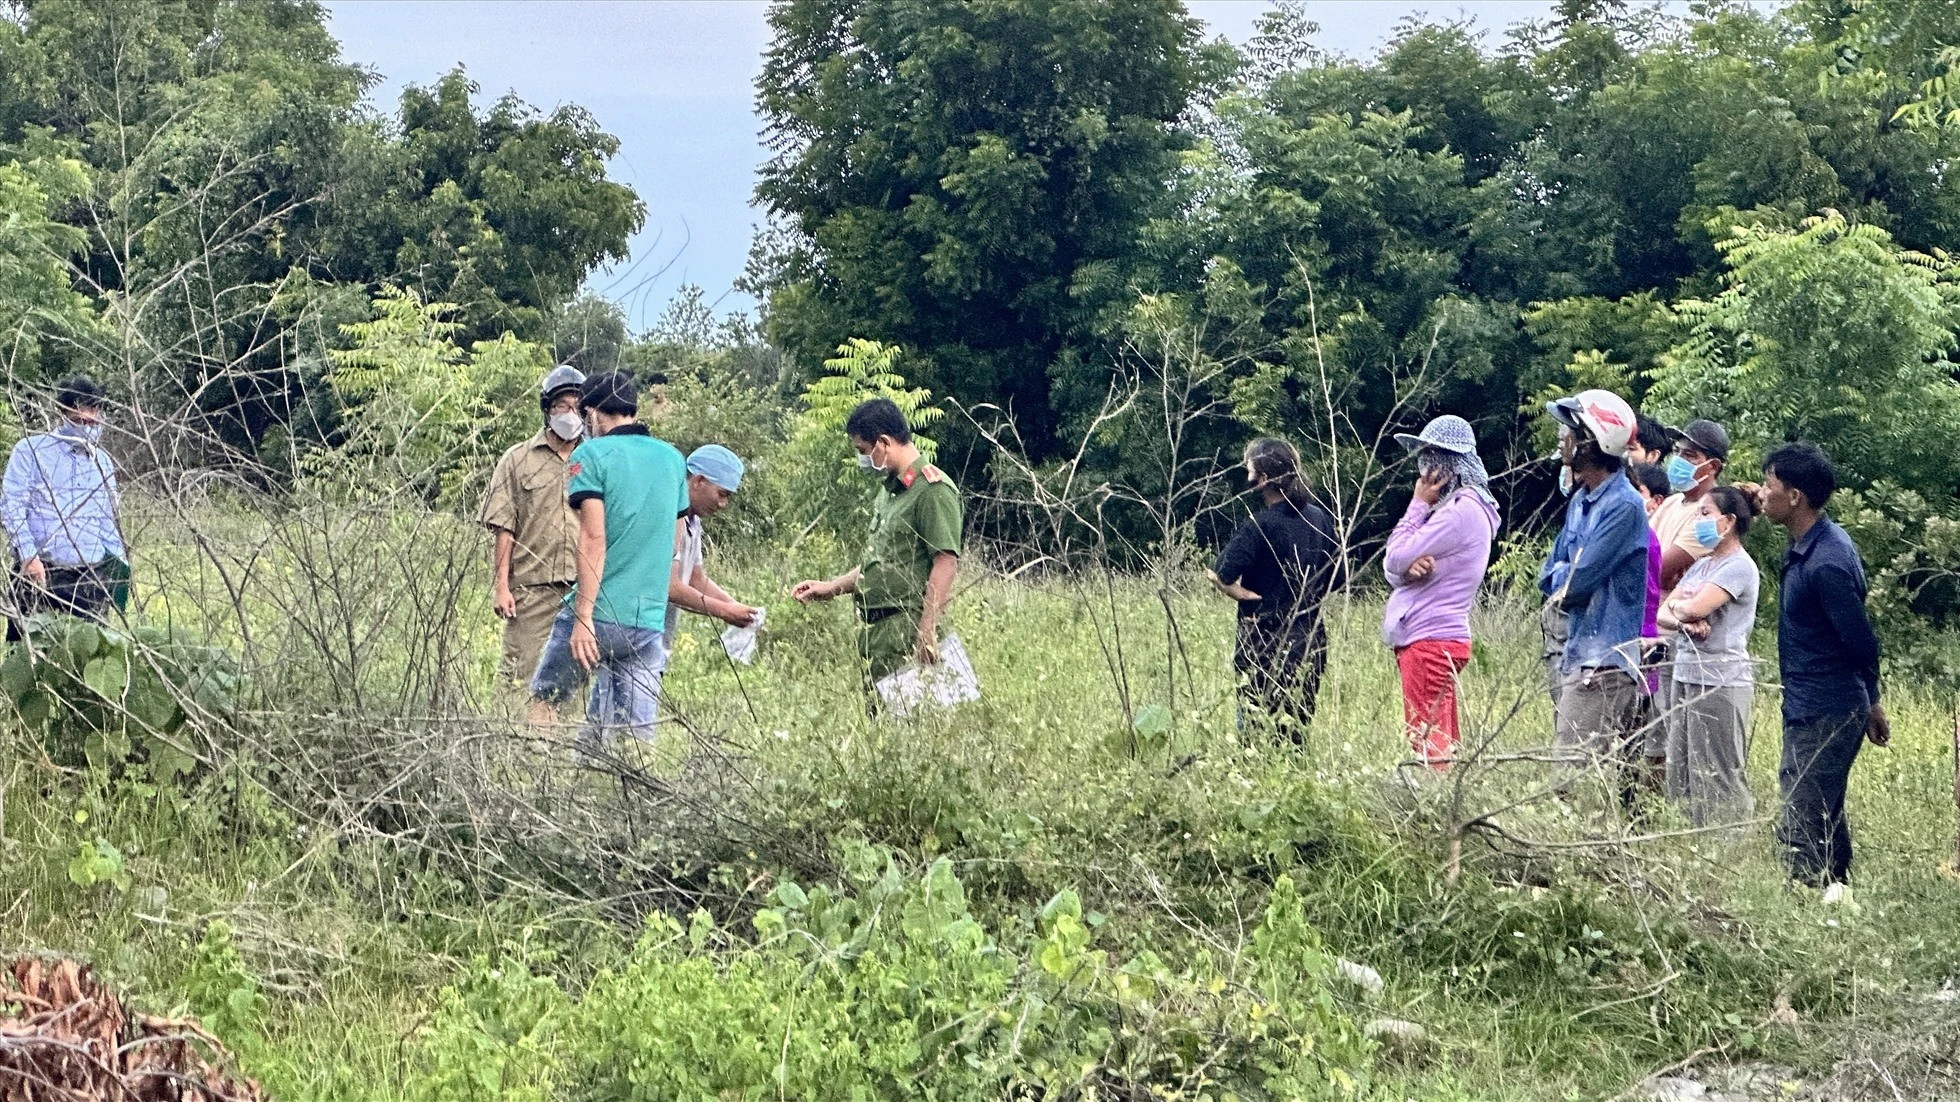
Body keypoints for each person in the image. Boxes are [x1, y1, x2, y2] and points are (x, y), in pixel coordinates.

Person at [529, 372, 689, 746]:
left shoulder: (591, 454)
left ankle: (534, 776)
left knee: (546, 700)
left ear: (592, 413)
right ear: (632, 410)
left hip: (599, 612)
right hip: (647, 621)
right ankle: (619, 791)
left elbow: (593, 536)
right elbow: (674, 541)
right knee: (631, 733)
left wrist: (583, 617)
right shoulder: (672, 459)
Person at [1752, 443, 1886, 887]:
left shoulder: (1826, 562)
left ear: (1795, 497)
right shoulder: (1807, 546)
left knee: (1802, 813)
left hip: (1826, 706)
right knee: (1821, 806)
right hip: (1814, 701)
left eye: (1770, 485)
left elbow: (1862, 643)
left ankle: (1807, 901)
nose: (1762, 494)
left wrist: (1871, 701)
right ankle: (1838, 895)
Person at [791, 399, 962, 686]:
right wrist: (831, 587)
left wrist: (928, 631)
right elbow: (880, 564)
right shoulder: (890, 493)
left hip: (907, 628)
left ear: (883, 443)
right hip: (878, 634)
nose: (862, 459)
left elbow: (945, 561)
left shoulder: (932, 490)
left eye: (863, 450)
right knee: (880, 722)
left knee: (910, 724)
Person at [1538, 389, 1649, 786]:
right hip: (1579, 655)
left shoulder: (1623, 506)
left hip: (1601, 664)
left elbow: (1575, 584)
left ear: (1594, 439)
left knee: (1569, 782)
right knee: (1573, 777)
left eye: (1570, 429)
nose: (1562, 438)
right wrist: (1564, 574)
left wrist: (1565, 574)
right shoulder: (1581, 499)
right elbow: (1549, 575)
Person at [1383, 415, 1499, 769]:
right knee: (1441, 738)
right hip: (1440, 637)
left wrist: (1417, 504)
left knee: (1425, 740)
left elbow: (1396, 554)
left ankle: (1430, 814)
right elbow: (1396, 566)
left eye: (1432, 458)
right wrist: (1402, 573)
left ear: (1450, 464)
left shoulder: (1461, 511)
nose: (1424, 470)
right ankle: (1444, 808)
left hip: (1430, 638)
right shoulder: (1463, 509)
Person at [1209, 438, 1340, 741]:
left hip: (1263, 638)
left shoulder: (1258, 525)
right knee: (1295, 731)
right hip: (1310, 638)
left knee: (1255, 732)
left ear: (1264, 479)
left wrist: (1238, 594)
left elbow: (1221, 573)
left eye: (1250, 470)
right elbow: (1338, 577)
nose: (1247, 477)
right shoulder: (1320, 519)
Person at [481, 365, 585, 722]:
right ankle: (503, 746)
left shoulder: (595, 460)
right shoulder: (517, 459)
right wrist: (501, 587)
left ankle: (556, 751)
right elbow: (503, 527)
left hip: (582, 590)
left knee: (573, 680)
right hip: (532, 588)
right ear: (547, 409)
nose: (570, 414)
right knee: (517, 676)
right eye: (561, 406)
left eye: (577, 406)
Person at [1656, 485, 1760, 829]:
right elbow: (1665, 612)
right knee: (1681, 770)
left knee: (1719, 773)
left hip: (1720, 681)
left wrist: (1687, 609)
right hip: (1686, 675)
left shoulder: (1739, 567)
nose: (1697, 520)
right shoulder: (1702, 565)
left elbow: (1692, 608)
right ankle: (1689, 843)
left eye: (1705, 513)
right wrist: (1685, 613)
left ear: (1728, 521)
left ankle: (1729, 847)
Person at [2, 377, 128, 624]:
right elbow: (11, 505)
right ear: (63, 411)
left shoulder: (102, 462)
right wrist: (28, 556)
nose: (89, 419)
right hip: (39, 572)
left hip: (89, 578)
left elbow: (107, 520)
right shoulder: (31, 451)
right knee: (31, 654)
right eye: (80, 413)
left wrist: (119, 571)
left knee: (88, 656)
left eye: (94, 411)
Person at [665, 444, 764, 645]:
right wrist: (725, 611)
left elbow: (695, 579)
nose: (722, 504)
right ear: (699, 481)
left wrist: (742, 611)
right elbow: (671, 587)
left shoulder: (693, 521)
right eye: (722, 494)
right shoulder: (670, 516)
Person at [1627, 462, 1670, 792]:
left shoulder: (1646, 539)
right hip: (1632, 642)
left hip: (1642, 643)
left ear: (1654, 500)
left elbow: (1646, 597)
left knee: (1634, 732)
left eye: (1635, 490)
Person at [1649, 419, 1730, 593]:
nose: (1678, 460)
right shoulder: (1671, 502)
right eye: (1677, 451)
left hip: (1669, 614)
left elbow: (1657, 571)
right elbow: (1638, 550)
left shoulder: (1711, 516)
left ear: (1712, 466)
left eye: (1689, 455)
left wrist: (1657, 572)